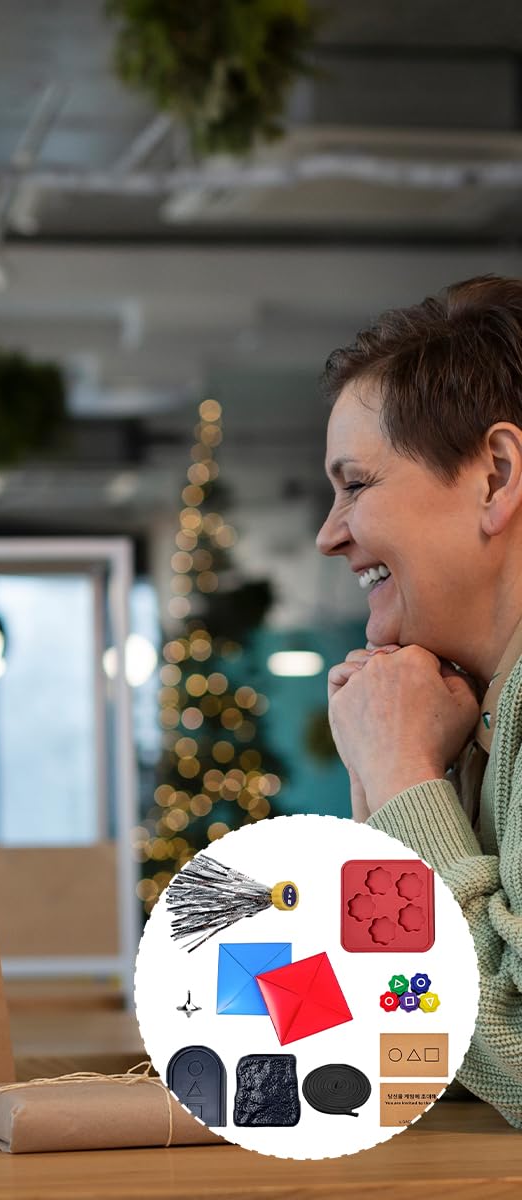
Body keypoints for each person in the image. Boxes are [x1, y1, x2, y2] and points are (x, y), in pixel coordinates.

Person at [317, 274, 522, 1130]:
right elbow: (410, 1046)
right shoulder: (479, 716)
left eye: (356, 485)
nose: (329, 532)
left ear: (495, 476)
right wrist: (389, 779)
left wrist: (399, 774)